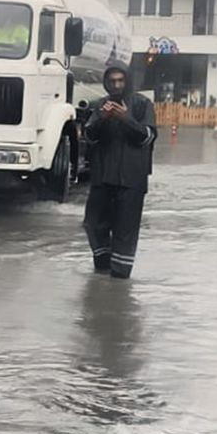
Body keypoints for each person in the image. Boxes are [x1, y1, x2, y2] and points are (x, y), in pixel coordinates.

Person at [83, 65, 157, 279]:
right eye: (112, 81)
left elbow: (147, 137)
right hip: (103, 176)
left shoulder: (143, 104)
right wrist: (103, 119)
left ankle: (120, 277)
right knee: (93, 222)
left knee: (126, 228)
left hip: (132, 179)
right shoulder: (99, 107)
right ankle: (101, 267)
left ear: (128, 81)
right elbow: (89, 137)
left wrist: (126, 118)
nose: (116, 85)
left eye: (120, 81)